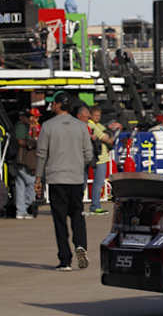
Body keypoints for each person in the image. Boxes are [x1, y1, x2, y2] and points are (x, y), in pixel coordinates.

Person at [34, 92, 91, 271]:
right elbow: (88, 153)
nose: (51, 106)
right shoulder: (81, 126)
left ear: (59, 105)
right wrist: (78, 165)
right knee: (77, 215)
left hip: (57, 178)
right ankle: (81, 245)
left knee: (59, 220)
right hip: (75, 178)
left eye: (53, 103)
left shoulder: (48, 126)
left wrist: (38, 177)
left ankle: (65, 259)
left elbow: (42, 154)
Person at [86, 106, 113, 215]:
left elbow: (108, 136)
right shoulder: (91, 124)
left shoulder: (99, 125)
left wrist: (109, 137)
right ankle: (95, 206)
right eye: (95, 115)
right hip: (98, 157)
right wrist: (108, 138)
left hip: (102, 157)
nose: (97, 117)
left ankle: (95, 205)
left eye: (99, 115)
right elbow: (106, 138)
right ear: (90, 115)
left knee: (99, 183)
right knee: (98, 183)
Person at [13, 112, 37, 219]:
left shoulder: (25, 126)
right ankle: (24, 206)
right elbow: (20, 141)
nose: (29, 118)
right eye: (27, 117)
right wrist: (31, 143)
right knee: (32, 183)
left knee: (20, 185)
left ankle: (21, 210)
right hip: (23, 160)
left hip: (21, 160)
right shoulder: (20, 126)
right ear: (21, 117)